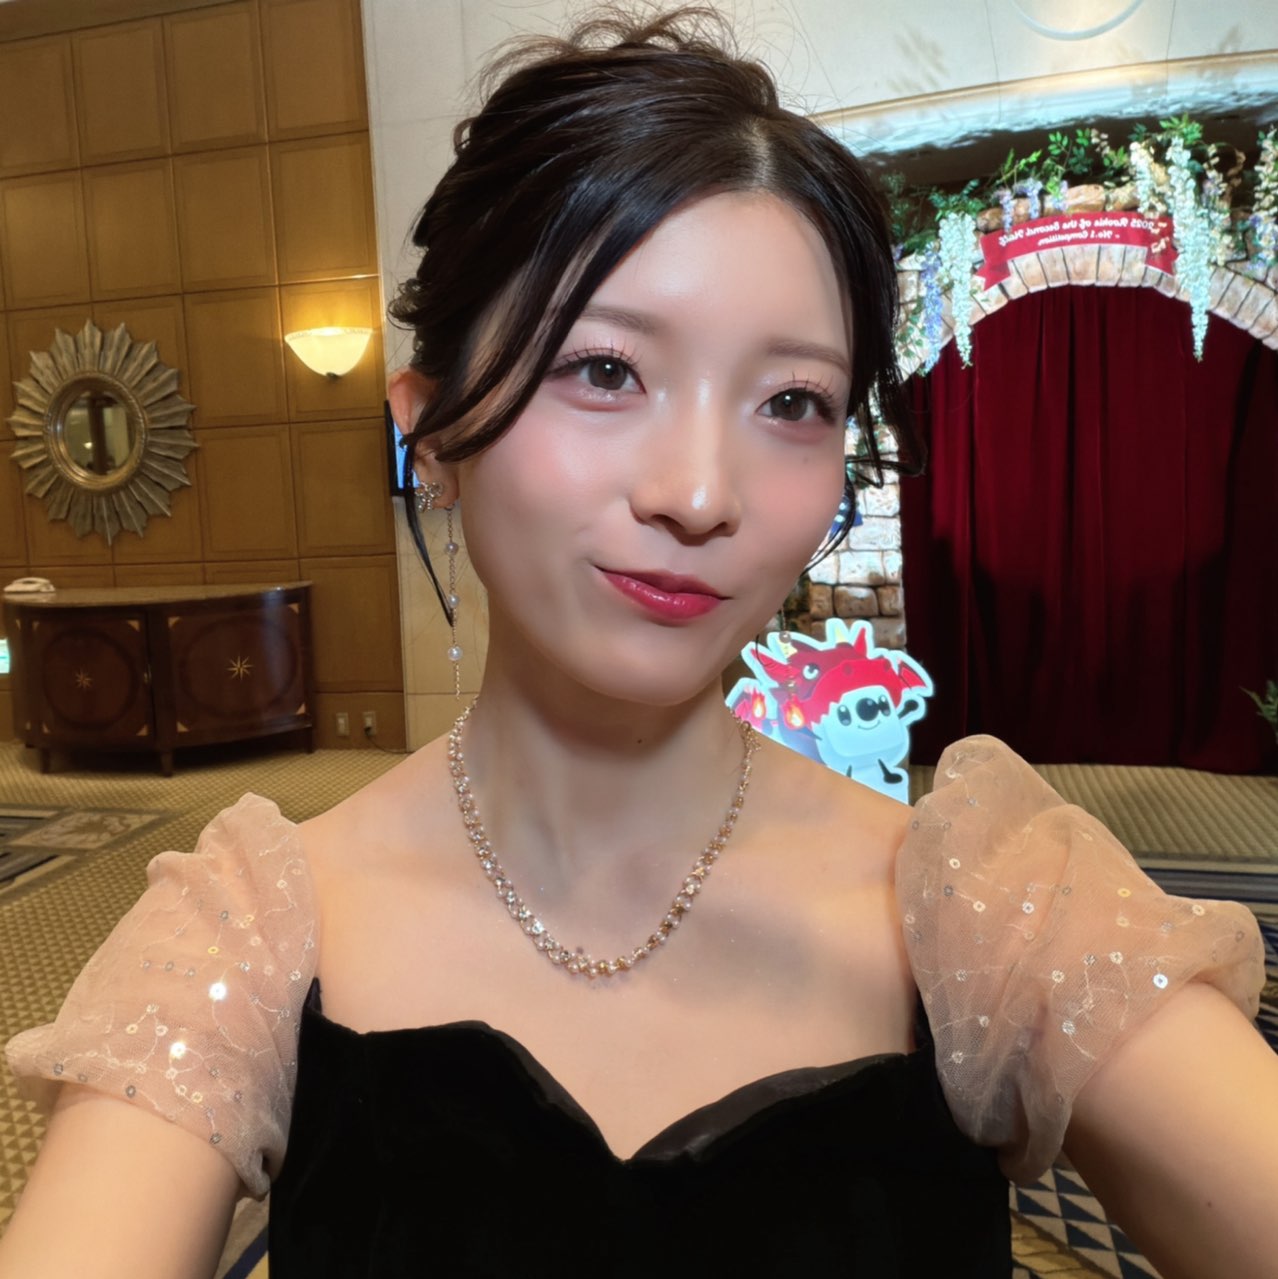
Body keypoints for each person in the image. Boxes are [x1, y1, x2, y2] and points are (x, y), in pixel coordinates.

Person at [2, 9, 1276, 1278]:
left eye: (793, 401)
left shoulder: (987, 898)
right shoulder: (251, 929)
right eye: (607, 370)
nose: (700, 493)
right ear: (430, 434)